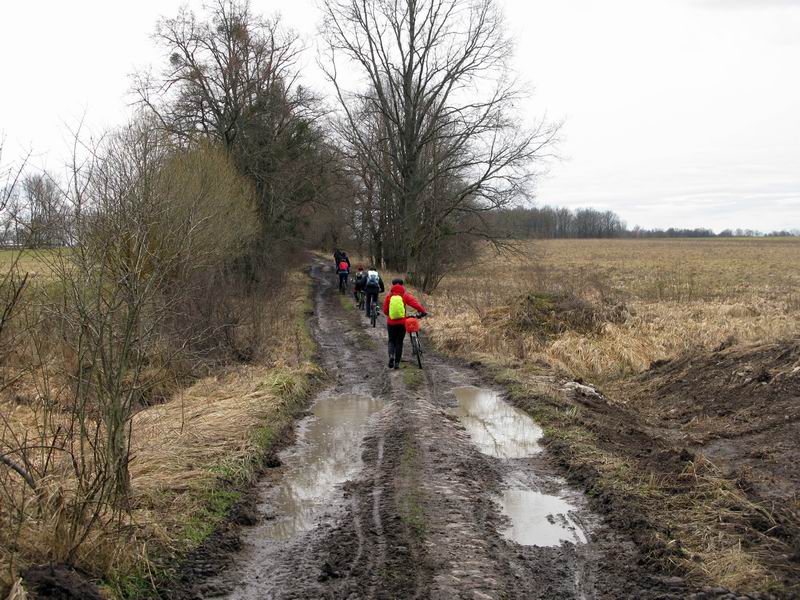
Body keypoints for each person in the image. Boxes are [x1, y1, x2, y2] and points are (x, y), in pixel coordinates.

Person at [383, 278, 426, 369]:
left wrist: (390, 315)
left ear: (393, 285)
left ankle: (391, 356)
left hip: (391, 323)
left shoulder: (389, 296)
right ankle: (397, 363)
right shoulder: (404, 295)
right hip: (402, 323)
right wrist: (423, 311)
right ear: (402, 285)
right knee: (399, 342)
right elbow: (415, 304)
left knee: (391, 340)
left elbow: (385, 311)